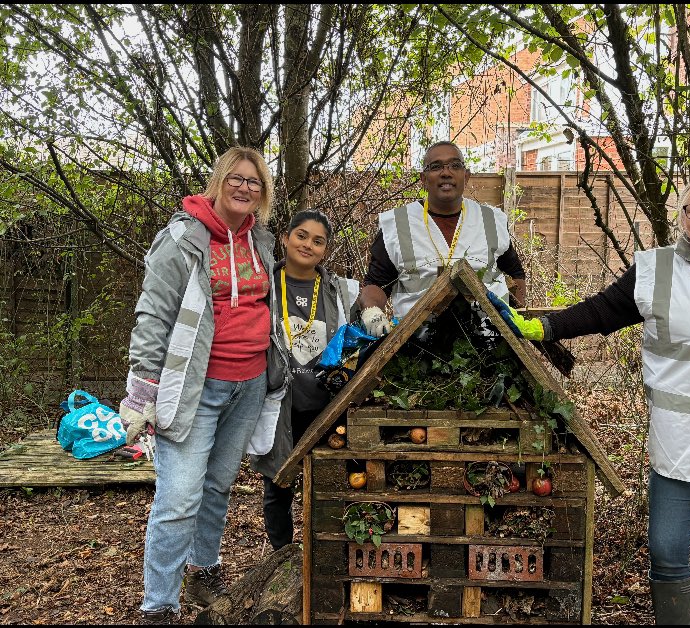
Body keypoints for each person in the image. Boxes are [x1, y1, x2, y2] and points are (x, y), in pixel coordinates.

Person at [488, 174, 690, 625]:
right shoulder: (655, 268)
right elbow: (601, 311)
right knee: (666, 549)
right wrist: (544, 327)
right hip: (683, 439)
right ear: (682, 218)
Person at [118, 147, 291, 623]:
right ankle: (159, 606)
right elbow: (153, 315)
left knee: (216, 487)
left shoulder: (263, 241)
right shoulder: (180, 239)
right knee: (178, 498)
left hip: (250, 383)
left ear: (263, 193)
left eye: (253, 182)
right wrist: (142, 390)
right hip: (195, 389)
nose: (243, 188)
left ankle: (204, 572)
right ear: (218, 182)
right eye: (234, 178)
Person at [248, 209, 359, 551]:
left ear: (325, 250)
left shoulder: (338, 292)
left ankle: (324, 553)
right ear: (285, 237)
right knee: (278, 486)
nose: (308, 245)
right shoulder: (262, 285)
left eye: (318, 241)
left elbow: (353, 344)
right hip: (279, 405)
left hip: (325, 406)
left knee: (328, 483)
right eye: (301, 235)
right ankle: (282, 557)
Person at [358, 140, 527, 337]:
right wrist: (372, 312)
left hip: (490, 349)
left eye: (455, 165)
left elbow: (515, 273)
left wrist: (517, 322)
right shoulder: (397, 224)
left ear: (467, 175)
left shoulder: (491, 220)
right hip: (416, 350)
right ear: (423, 178)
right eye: (436, 166)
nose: (446, 172)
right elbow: (376, 284)